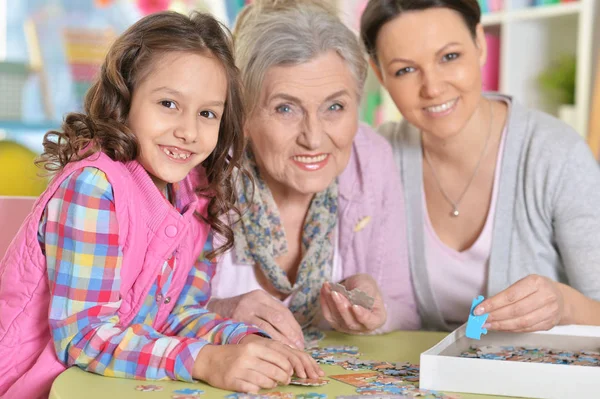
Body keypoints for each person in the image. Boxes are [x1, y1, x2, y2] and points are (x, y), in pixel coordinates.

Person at [0, 11, 321, 399]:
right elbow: (83, 338)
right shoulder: (94, 186)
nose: (188, 131)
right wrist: (205, 361)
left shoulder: (198, 192)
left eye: (207, 114)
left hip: (111, 385)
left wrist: (249, 341)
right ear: (125, 100)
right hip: (32, 385)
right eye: (169, 103)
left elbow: (177, 315)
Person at [360, 0, 600, 332]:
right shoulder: (378, 156)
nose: (432, 87)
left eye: (449, 57)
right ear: (380, 75)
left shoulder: (556, 154)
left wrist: (564, 304)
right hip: (416, 379)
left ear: (479, 43)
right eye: (405, 70)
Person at [204, 0, 420, 350]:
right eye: (285, 108)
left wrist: (377, 311)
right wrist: (221, 311)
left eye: (335, 106)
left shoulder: (371, 160)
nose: (314, 137)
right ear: (243, 114)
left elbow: (405, 311)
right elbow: (139, 310)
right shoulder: (202, 167)